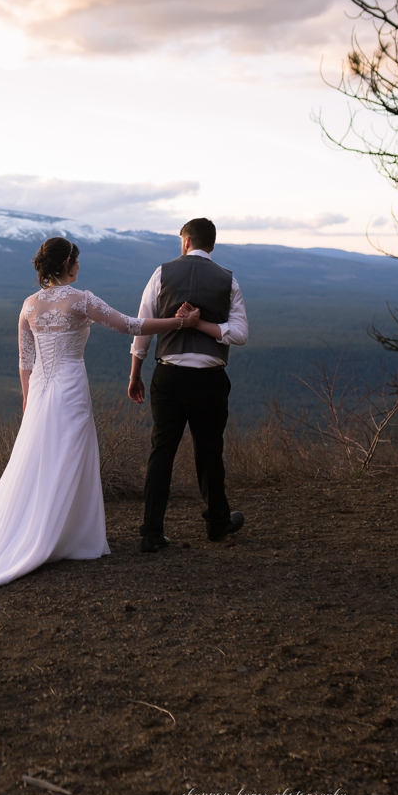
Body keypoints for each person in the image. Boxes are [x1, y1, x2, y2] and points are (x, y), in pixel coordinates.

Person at [0, 237, 198, 587]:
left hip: (42, 390)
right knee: (69, 458)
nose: (79, 266)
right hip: (71, 386)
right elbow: (130, 325)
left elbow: (25, 361)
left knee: (41, 460)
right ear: (67, 264)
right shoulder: (81, 298)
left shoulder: (28, 305)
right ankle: (64, 536)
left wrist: (29, 401)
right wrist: (180, 324)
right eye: (77, 260)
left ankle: (53, 531)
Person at [129, 217, 249, 552]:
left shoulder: (162, 273)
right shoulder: (228, 280)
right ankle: (216, 523)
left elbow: (142, 328)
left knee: (161, 451)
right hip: (210, 379)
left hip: (169, 376)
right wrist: (204, 325)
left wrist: (135, 374)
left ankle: (151, 532)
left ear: (185, 241)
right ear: (211, 244)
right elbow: (240, 335)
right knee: (210, 451)